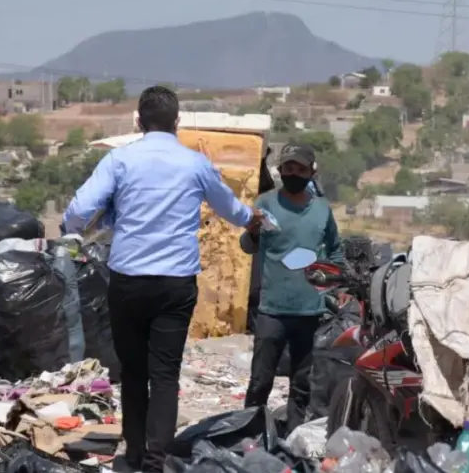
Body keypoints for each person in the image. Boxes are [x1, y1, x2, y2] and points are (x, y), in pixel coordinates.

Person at [62, 85, 264, 473]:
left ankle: (134, 454)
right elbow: (232, 211)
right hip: (175, 284)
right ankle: (156, 462)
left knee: (133, 371)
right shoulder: (195, 164)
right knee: (166, 374)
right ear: (177, 122)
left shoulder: (120, 160)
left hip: (128, 280)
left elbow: (80, 210)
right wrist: (251, 218)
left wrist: (81, 225)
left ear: (138, 121)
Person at [239, 143, 344, 433]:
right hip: (272, 310)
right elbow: (247, 246)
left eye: (299, 168)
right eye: (288, 168)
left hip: (310, 310)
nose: (293, 173)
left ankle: (293, 438)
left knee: (301, 384)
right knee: (260, 380)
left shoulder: (322, 210)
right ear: (280, 170)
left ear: (312, 172)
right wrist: (252, 231)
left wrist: (334, 286)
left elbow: (335, 251)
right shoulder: (266, 204)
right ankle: (249, 435)